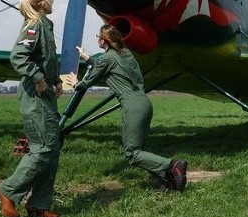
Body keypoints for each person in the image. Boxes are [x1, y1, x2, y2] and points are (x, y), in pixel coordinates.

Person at [69, 24, 188, 191]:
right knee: (141, 149)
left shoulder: (107, 58)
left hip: (132, 106)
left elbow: (88, 81)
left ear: (103, 41)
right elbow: (104, 65)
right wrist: (87, 57)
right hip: (145, 103)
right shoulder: (126, 54)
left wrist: (76, 84)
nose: (96, 39)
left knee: (132, 153)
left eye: (98, 36)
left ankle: (173, 165)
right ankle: (168, 180)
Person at [0, 0, 64, 217]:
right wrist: (38, 79)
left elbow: (45, 59)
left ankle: (39, 204)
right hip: (35, 99)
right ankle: (8, 191)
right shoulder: (34, 26)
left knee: (51, 152)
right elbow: (18, 56)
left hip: (46, 97)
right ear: (43, 3)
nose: (53, 2)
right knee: (42, 149)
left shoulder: (46, 25)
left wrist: (55, 81)